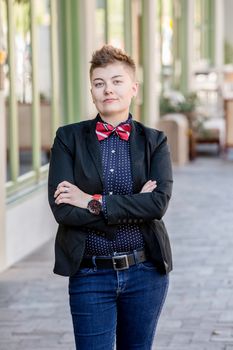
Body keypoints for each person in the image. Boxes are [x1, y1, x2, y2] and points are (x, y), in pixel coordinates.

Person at [48, 45, 173, 350]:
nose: (108, 90)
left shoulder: (155, 141)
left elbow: (157, 204)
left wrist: (92, 201)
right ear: (91, 91)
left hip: (145, 273)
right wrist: (134, 203)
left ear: (133, 88)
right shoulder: (68, 138)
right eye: (99, 83)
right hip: (89, 273)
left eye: (117, 81)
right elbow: (63, 210)